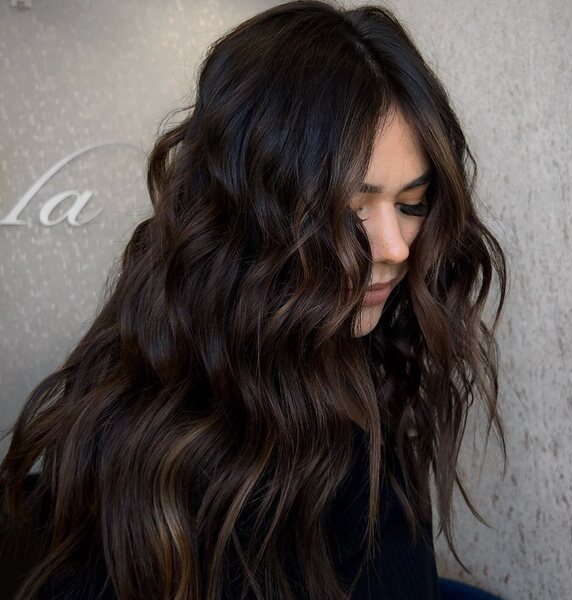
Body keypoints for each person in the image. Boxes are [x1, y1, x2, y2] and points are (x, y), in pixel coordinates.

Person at [0, 1, 508, 598]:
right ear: (251, 211)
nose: (395, 247)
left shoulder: (362, 345)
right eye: (352, 207)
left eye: (411, 203)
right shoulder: (178, 464)